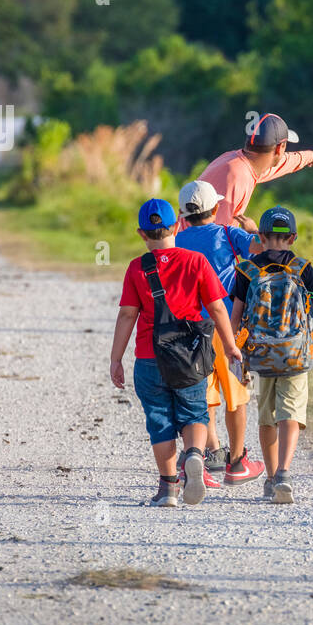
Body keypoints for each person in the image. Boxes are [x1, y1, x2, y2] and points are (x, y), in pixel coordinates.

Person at [110, 198, 243, 507]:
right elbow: (216, 310)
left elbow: (127, 315)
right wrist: (231, 345)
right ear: (176, 225)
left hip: (149, 357)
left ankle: (168, 488)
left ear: (142, 233)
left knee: (160, 420)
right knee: (194, 412)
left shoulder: (136, 268)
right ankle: (195, 454)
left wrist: (116, 358)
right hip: (191, 356)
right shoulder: (196, 261)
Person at [230, 206, 313, 503]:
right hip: (295, 354)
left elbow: (235, 316)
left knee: (267, 417)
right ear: (293, 237)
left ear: (260, 236)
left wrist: (234, 352)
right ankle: (285, 472)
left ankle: (271, 477)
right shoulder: (302, 267)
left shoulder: (247, 269)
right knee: (292, 413)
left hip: (260, 355)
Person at [174, 179, 265, 487]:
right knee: (236, 397)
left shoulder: (178, 241)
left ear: (183, 215)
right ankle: (238, 462)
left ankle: (208, 454)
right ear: (215, 209)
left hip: (189, 330)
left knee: (205, 397)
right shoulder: (228, 233)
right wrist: (252, 229)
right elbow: (261, 248)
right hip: (228, 328)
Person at [197, 113, 313, 232]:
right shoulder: (238, 176)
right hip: (197, 253)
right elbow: (214, 236)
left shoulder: (237, 161)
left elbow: (282, 163)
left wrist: (310, 156)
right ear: (279, 148)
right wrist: (255, 235)